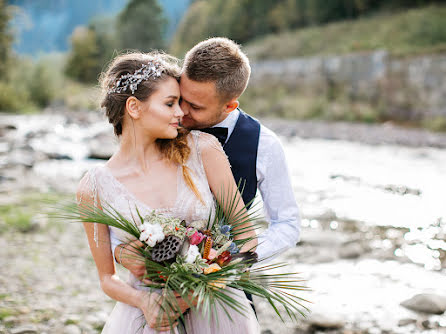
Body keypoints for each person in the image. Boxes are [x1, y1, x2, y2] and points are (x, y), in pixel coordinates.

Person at [77, 52, 260, 333]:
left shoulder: (203, 150)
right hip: (150, 316)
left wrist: (207, 282)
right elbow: (107, 279)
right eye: (170, 103)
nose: (181, 113)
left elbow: (246, 236)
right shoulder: (94, 186)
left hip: (217, 312)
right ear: (134, 108)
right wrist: (144, 301)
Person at [114, 37, 300, 282]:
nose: (182, 112)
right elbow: (119, 201)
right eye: (180, 98)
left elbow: (287, 223)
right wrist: (119, 252)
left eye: (196, 106)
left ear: (230, 106)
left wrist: (234, 261)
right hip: (156, 283)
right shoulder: (158, 126)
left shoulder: (264, 145)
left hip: (226, 287)